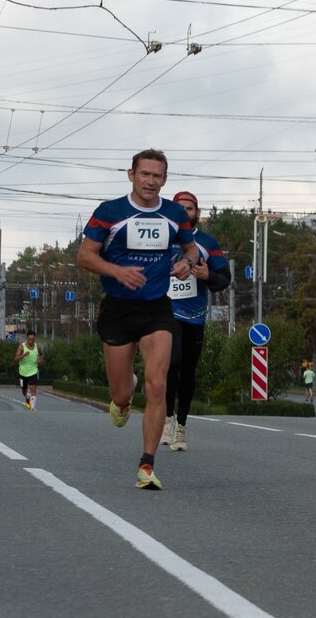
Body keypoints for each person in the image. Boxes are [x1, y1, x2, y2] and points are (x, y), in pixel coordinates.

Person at [78, 149, 198, 491]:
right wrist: (117, 270)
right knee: (119, 394)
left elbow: (190, 249)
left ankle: (147, 464)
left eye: (157, 176)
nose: (150, 181)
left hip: (156, 308)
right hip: (118, 308)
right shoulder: (109, 212)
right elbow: (85, 256)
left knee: (158, 384)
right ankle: (123, 396)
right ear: (131, 175)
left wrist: (186, 264)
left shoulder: (175, 215)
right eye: (145, 174)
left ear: (164, 179)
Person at [162, 190, 231, 453]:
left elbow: (225, 278)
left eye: (190, 208)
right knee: (173, 362)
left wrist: (206, 275)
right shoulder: (162, 239)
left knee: (188, 371)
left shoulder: (206, 242)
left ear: (196, 213)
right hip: (166, 312)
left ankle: (181, 426)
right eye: (180, 207)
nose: (185, 212)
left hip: (194, 316)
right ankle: (168, 417)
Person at [14, 331, 43, 410]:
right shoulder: (21, 347)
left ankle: (32, 408)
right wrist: (23, 355)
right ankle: (27, 396)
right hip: (23, 372)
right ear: (26, 338)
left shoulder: (37, 347)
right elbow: (16, 358)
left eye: (33, 339)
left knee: (33, 389)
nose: (31, 341)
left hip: (33, 371)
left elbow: (41, 354)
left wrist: (40, 359)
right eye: (29, 339)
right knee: (24, 391)